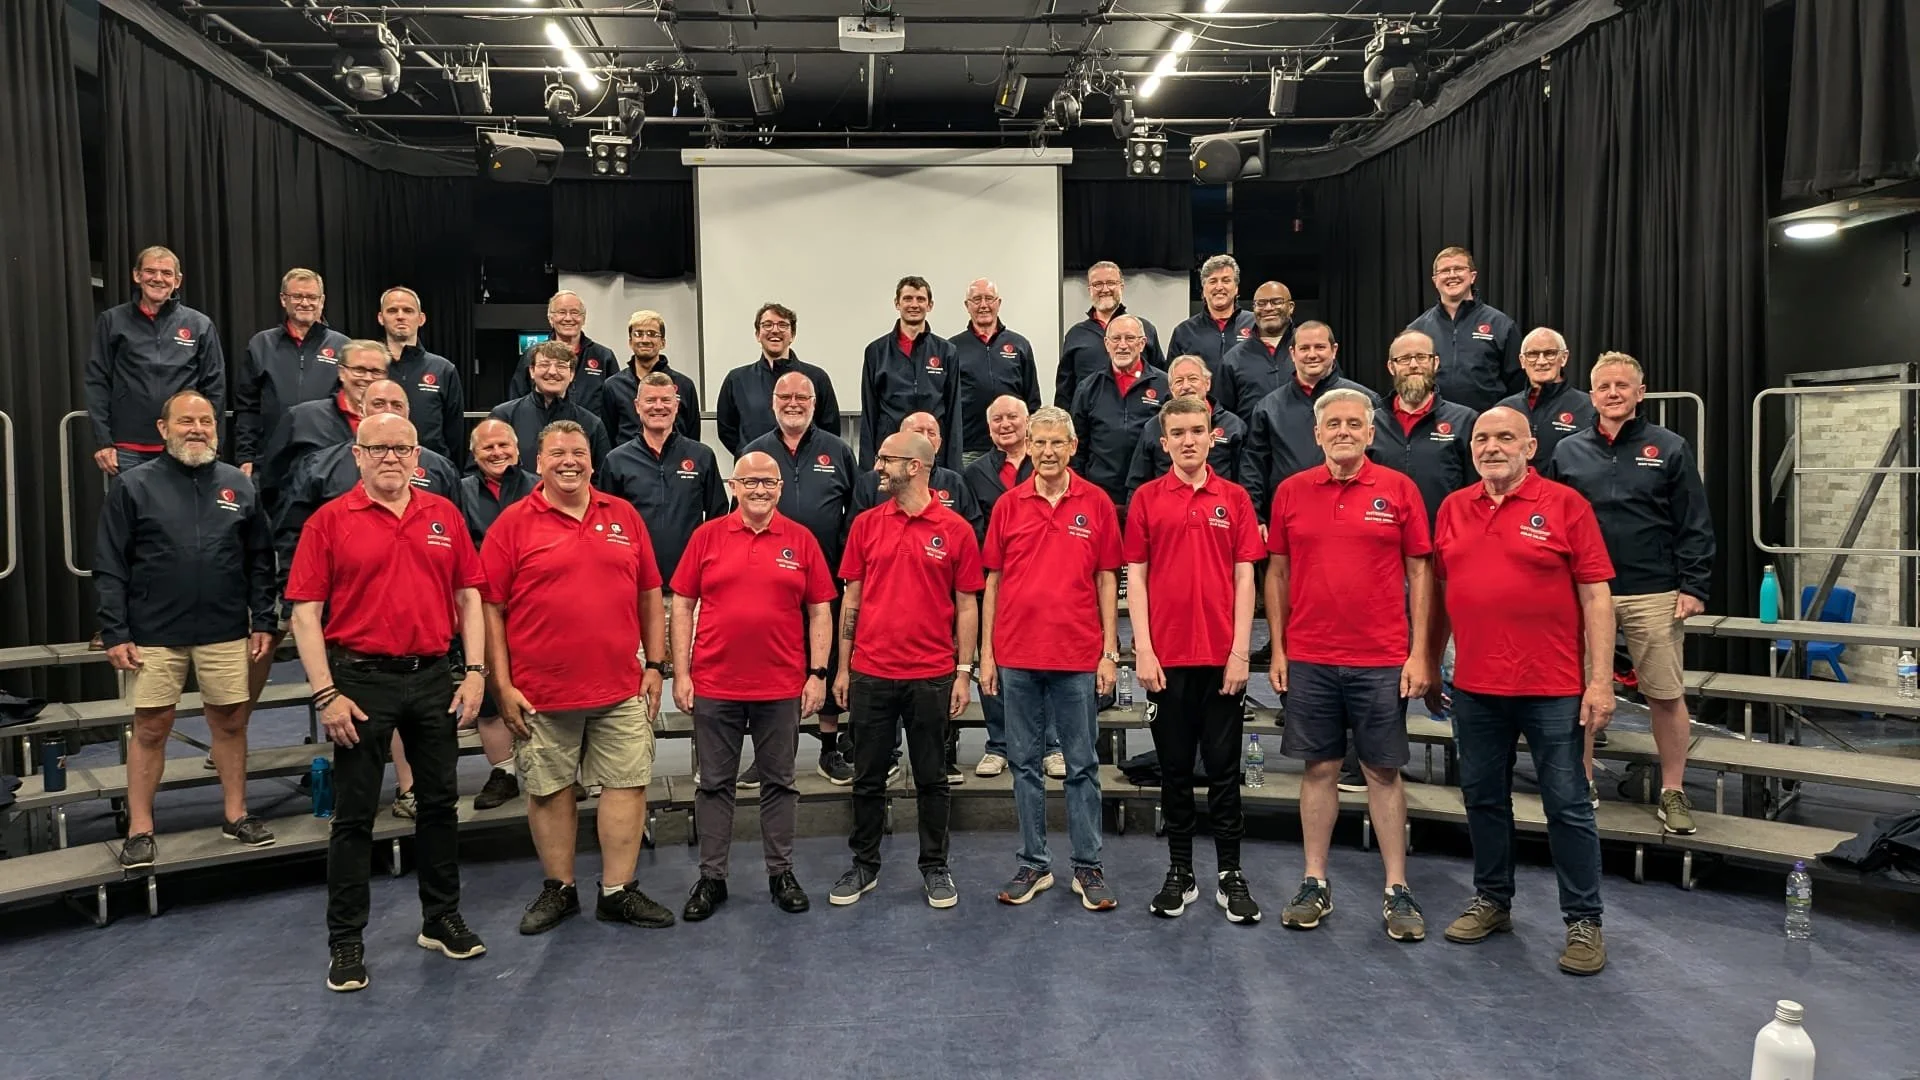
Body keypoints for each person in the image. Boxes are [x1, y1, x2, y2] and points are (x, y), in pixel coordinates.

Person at [285, 412, 489, 993]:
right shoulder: (329, 522)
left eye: (402, 448)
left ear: (417, 456)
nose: (391, 458)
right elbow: (304, 614)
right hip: (358, 681)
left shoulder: (443, 515)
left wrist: (474, 673)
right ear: (357, 455)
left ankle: (440, 917)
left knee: (440, 806)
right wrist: (326, 694)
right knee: (352, 818)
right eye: (378, 449)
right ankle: (346, 942)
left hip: (432, 678)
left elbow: (468, 597)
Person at [1430, 406, 1613, 976]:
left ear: (1530, 447)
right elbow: (1441, 595)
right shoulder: (1454, 509)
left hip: (1554, 687)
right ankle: (1493, 900)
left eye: (1504, 437)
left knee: (1568, 806)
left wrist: (1600, 682)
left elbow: (1597, 598)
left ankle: (1583, 921)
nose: (1490, 446)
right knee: (1484, 799)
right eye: (1481, 438)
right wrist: (1433, 662)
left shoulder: (1566, 506)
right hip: (1477, 687)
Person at [482, 420, 673, 935]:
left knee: (628, 784)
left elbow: (650, 593)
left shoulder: (624, 515)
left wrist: (656, 664)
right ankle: (559, 889)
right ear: (538, 461)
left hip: (620, 686)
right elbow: (491, 609)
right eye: (557, 452)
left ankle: (618, 891)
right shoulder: (512, 524)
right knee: (548, 789)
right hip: (541, 692)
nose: (569, 460)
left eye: (579, 452)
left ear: (593, 459)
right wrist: (501, 684)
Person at [1264, 388, 1434, 940]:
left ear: (1369, 432)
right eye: (1332, 423)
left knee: (1383, 772)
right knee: (1318, 770)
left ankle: (1396, 888)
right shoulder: (1290, 492)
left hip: (1382, 657)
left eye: (1353, 423)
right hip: (1311, 656)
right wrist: (1282, 647)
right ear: (1317, 434)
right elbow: (1278, 575)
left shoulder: (1399, 490)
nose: (1342, 431)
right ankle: (1315, 880)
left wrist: (1418, 652)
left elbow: (1420, 575)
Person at [98, 390, 276, 870]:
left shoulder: (238, 486)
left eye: (206, 421)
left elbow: (261, 559)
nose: (197, 428)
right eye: (186, 421)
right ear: (163, 429)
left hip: (223, 629)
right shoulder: (134, 486)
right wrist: (115, 632)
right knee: (151, 728)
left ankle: (235, 814)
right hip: (154, 633)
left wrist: (263, 619)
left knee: (231, 722)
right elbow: (110, 565)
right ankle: (140, 828)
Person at [1546, 351, 1714, 833]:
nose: (1613, 393)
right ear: (1591, 394)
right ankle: (1581, 782)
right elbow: (1554, 525)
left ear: (1641, 393)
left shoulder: (1670, 447)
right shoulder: (1568, 451)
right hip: (1581, 592)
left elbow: (1694, 522)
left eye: (1623, 385)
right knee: (1574, 693)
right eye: (1604, 386)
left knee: (1664, 693)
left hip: (1653, 589)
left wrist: (1694, 585)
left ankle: (1674, 790)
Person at [670, 451, 836, 922]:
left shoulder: (801, 541)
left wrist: (817, 674)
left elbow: (820, 609)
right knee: (714, 784)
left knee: (780, 784)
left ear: (780, 488)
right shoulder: (706, 537)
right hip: (715, 683)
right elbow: (682, 605)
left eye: (769, 482)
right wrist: (682, 673)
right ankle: (712, 877)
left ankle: (781, 872)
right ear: (734, 486)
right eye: (750, 482)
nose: (760, 489)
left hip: (781, 685)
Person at [1124, 396, 1265, 922]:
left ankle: (1230, 873)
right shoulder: (1145, 499)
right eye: (1177, 432)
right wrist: (1144, 648)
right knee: (1175, 771)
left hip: (1221, 662)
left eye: (1197, 430)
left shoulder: (1236, 499)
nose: (1188, 439)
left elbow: (1245, 576)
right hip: (1165, 662)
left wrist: (1238, 654)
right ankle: (1180, 872)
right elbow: (1135, 576)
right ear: (1164, 443)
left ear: (1212, 436)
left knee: (1226, 773)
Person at [828, 431, 982, 909]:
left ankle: (935, 867)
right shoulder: (866, 525)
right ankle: (864, 865)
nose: (877, 466)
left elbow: (967, 606)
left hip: (932, 675)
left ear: (914, 466)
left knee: (933, 778)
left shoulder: (955, 529)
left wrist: (963, 671)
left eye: (886, 460)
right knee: (868, 778)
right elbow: (850, 599)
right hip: (871, 673)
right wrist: (843, 668)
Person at [980, 406, 1122, 911]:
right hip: (1017, 656)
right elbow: (992, 580)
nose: (1045, 452)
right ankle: (1034, 864)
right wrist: (986, 654)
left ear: (1072, 445)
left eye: (1055, 443)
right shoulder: (1008, 506)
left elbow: (1108, 578)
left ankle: (1088, 866)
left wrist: (1109, 651)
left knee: (1082, 764)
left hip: (1078, 657)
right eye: (1038, 443)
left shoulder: (1098, 504)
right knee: (1024, 766)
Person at [740, 371, 859, 784]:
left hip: (825, 579)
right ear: (773, 402)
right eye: (785, 396)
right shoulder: (755, 452)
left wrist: (845, 567)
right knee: (772, 664)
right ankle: (771, 754)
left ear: (814, 402)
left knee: (822, 661)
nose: (793, 403)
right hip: (768, 583)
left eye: (802, 397)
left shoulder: (838, 451)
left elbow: (854, 516)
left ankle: (829, 748)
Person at [959, 396, 1063, 780]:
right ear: (988, 429)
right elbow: (972, 527)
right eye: (997, 419)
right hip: (997, 578)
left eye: (1013, 417)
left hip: (1046, 582)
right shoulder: (974, 474)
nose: (1005, 424)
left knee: (1049, 664)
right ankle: (998, 745)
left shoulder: (1047, 464)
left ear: (1029, 424)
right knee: (993, 665)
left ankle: (1051, 746)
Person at [85, 245, 225, 477]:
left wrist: (213, 443)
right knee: (132, 512)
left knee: (186, 512)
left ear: (177, 281)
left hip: (184, 443)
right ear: (137, 275)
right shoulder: (112, 321)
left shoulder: (199, 324)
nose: (158, 278)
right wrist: (103, 441)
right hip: (128, 447)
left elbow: (215, 387)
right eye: (150, 271)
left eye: (167, 273)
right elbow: (97, 381)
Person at [458, 417, 537, 810]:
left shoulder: (540, 486)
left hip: (535, 605)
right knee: (491, 692)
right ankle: (504, 772)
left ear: (518, 449)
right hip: (481, 606)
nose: (497, 453)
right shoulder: (460, 492)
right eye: (487, 448)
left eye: (504, 445)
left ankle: (556, 770)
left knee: (541, 687)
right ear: (475, 455)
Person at [1242, 321, 1380, 526]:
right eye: (1304, 348)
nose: (1312, 354)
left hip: (1356, 516)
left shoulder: (1364, 401)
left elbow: (1381, 460)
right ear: (1292, 353)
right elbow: (1254, 466)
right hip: (1290, 518)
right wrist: (1255, 516)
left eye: (1320, 347)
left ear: (1334, 351)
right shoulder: (1268, 407)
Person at [597, 372, 728, 588]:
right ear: (637, 406)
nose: (659, 407)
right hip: (635, 583)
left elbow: (718, 518)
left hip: (691, 585)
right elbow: (605, 522)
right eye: (650, 400)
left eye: (666, 400)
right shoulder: (617, 460)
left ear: (676, 406)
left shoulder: (702, 456)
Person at [233, 268, 350, 481]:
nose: (305, 303)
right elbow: (247, 407)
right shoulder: (261, 344)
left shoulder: (343, 347)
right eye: (297, 296)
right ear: (283, 299)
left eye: (312, 297)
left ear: (322, 301)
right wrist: (245, 457)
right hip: (271, 459)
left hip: (328, 459)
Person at [259, 339, 390, 508]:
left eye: (376, 372)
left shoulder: (394, 425)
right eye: (359, 370)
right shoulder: (302, 418)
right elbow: (270, 481)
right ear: (342, 373)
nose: (367, 377)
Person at [1369, 330, 1478, 530]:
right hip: (1384, 539)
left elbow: (1476, 488)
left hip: (1444, 537)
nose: (1413, 365)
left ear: (1435, 363)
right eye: (1404, 359)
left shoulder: (1465, 420)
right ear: (1391, 367)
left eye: (1421, 357)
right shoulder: (1370, 423)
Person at [1068, 314, 1170, 516]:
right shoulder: (1087, 388)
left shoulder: (1165, 386)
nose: (1122, 345)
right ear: (1106, 344)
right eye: (1116, 339)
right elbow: (1076, 447)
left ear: (1142, 343)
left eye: (1130, 338)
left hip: (1151, 495)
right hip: (1101, 497)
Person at [859, 276, 963, 471]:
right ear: (897, 303)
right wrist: (866, 469)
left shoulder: (947, 352)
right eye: (908, 299)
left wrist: (954, 468)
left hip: (933, 458)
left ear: (930, 305)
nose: (914, 305)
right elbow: (869, 413)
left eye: (920, 299)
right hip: (891, 456)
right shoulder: (876, 351)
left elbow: (954, 413)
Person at [715, 302, 842, 456]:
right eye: (767, 325)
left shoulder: (817, 378)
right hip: (755, 472)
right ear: (757, 334)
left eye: (783, 325)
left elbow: (830, 428)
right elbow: (726, 429)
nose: (775, 330)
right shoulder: (736, 380)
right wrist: (748, 453)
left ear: (792, 335)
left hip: (805, 470)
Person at [1406, 246, 1522, 413]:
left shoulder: (1501, 325)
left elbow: (1517, 383)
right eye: (1445, 271)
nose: (1452, 275)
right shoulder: (1417, 330)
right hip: (1432, 423)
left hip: (1486, 425)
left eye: (1459, 269)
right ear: (1435, 280)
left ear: (1472, 276)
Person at [1124, 355, 1246, 500]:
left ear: (1207, 383)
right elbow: (1137, 483)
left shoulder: (1233, 425)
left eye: (1193, 379)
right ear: (1171, 389)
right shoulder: (1153, 427)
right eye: (1179, 381)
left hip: (1219, 513)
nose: (1186, 386)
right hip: (1166, 511)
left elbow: (1244, 481)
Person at [850, 412, 985, 541]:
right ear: (900, 437)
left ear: (939, 443)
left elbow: (974, 534)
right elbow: (852, 536)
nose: (925, 438)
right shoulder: (870, 483)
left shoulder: (956, 483)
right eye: (918, 432)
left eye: (931, 433)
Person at [948, 278, 1040, 466]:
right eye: (976, 299)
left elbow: (1032, 398)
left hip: (1015, 446)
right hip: (970, 448)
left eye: (989, 299)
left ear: (999, 303)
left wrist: (1033, 439)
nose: (983, 305)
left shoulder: (1019, 344)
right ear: (967, 305)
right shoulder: (952, 348)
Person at [490, 340, 613, 469]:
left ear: (571, 374)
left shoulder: (592, 424)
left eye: (561, 366)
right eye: (544, 365)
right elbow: (482, 470)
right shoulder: (503, 417)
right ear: (532, 371)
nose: (552, 372)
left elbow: (601, 478)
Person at [377, 286, 465, 464]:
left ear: (421, 319)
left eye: (408, 310)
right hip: (378, 465)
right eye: (392, 310)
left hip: (431, 469)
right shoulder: (369, 367)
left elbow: (455, 435)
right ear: (381, 318)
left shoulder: (443, 369)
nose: (400, 316)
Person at [1057, 261, 1164, 406]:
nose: (1105, 289)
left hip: (1139, 416)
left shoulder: (1145, 329)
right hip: (1089, 419)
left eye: (1111, 283)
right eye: (1097, 284)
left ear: (1122, 286)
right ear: (1089, 289)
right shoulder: (1076, 335)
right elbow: (1064, 391)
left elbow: (1160, 378)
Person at [1496, 327, 1595, 466]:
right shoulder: (1504, 409)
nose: (1541, 361)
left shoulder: (1589, 407)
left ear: (1564, 358)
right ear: (1522, 361)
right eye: (1533, 354)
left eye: (1550, 353)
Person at [601, 309, 700, 444]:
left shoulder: (685, 385)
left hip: (673, 461)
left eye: (652, 334)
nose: (645, 340)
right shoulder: (613, 386)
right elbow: (608, 435)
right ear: (630, 341)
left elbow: (693, 437)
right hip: (628, 462)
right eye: (638, 334)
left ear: (663, 342)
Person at [506, 290, 618, 408]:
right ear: (551, 319)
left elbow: (615, 402)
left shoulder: (603, 356)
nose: (568, 318)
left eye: (575, 312)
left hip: (590, 426)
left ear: (583, 319)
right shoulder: (532, 354)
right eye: (561, 312)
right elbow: (516, 401)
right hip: (543, 425)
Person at [1214, 281, 1297, 421]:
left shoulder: (1311, 350)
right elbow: (1223, 416)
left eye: (1276, 302)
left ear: (1290, 307)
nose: (1268, 308)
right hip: (1252, 442)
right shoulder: (1233, 360)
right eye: (1261, 303)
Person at [1167, 254, 1256, 374]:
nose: (1219, 287)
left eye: (1226, 280)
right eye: (1213, 281)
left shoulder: (1255, 324)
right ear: (1203, 290)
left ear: (1236, 289)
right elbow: (1172, 378)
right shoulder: (1184, 332)